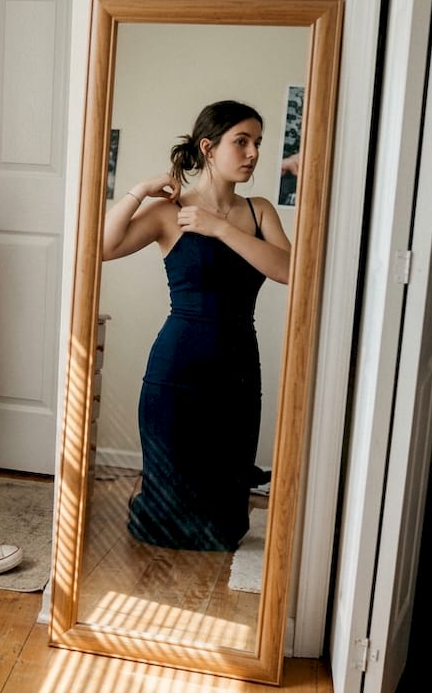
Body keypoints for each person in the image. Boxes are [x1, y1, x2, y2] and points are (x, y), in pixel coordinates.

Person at [102, 100, 291, 551]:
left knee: (225, 498)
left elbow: (292, 271)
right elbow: (102, 248)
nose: (253, 153)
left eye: (258, 143)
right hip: (177, 368)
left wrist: (221, 229)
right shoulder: (171, 212)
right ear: (209, 147)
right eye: (241, 141)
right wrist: (138, 191)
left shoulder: (259, 210)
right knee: (170, 494)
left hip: (239, 365)